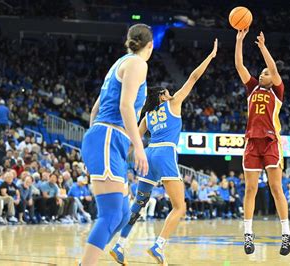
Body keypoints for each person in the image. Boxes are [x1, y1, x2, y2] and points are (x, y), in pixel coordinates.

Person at [111, 39, 217, 265]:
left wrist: (120, 158)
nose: (171, 93)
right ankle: (158, 245)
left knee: (139, 204)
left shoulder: (148, 116)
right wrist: (211, 56)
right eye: (168, 92)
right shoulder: (174, 103)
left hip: (148, 154)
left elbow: (134, 140)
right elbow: (193, 78)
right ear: (162, 96)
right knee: (180, 207)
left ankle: (120, 245)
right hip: (165, 153)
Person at [79, 24, 153, 265]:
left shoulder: (120, 63)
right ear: (150, 45)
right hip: (107, 138)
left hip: (108, 140)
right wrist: (139, 146)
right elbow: (125, 106)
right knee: (111, 214)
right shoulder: (138, 64)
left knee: (122, 215)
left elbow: (95, 110)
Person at [235, 28, 290, 256]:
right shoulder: (252, 89)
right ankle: (248, 234)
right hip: (251, 142)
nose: (262, 75)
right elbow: (240, 66)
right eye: (261, 72)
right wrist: (239, 41)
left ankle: (286, 233)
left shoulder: (277, 91)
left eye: (266, 73)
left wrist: (262, 47)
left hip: (270, 141)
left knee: (275, 187)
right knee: (250, 189)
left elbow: (275, 70)